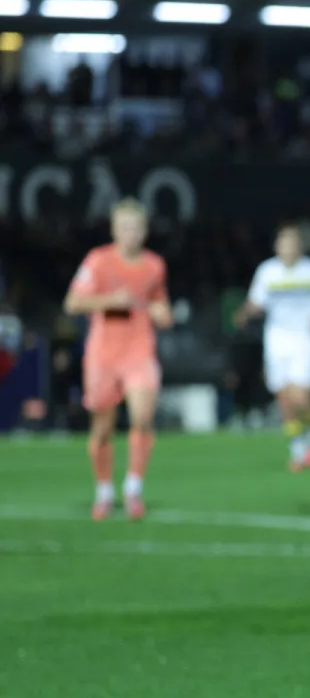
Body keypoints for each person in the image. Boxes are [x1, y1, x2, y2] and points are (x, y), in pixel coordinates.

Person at [63, 198, 172, 520]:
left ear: (145, 231)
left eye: (135, 228)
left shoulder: (154, 265)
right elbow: (72, 303)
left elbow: (160, 304)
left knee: (142, 417)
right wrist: (110, 300)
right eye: (124, 227)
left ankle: (133, 489)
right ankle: (104, 491)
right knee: (102, 427)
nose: (130, 234)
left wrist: (162, 314)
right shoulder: (98, 260)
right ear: (113, 230)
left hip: (139, 350)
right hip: (103, 355)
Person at [235, 223, 310, 470]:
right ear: (277, 246)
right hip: (277, 340)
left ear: (300, 247)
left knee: (301, 397)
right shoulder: (267, 271)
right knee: (284, 399)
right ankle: (298, 451)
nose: (288, 247)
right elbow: (256, 302)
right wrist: (244, 314)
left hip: (305, 340)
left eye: (292, 243)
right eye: (284, 242)